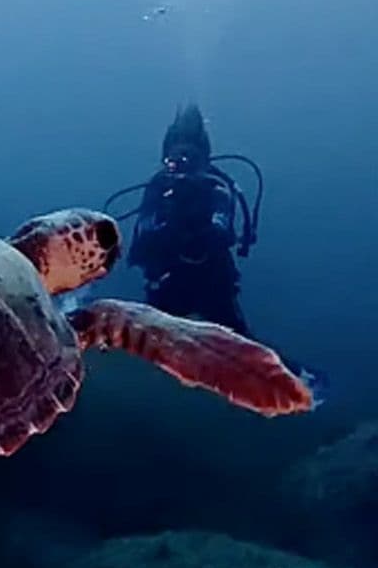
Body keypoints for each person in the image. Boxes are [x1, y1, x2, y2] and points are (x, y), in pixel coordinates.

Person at [103, 106, 326, 398]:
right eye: (173, 160)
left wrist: (196, 226)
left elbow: (222, 233)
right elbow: (140, 245)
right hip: (168, 284)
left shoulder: (217, 188)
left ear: (203, 160)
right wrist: (168, 228)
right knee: (142, 342)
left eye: (189, 159)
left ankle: (302, 384)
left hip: (212, 284)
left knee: (242, 344)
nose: (180, 167)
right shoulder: (157, 189)